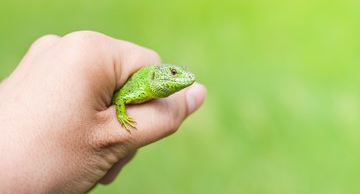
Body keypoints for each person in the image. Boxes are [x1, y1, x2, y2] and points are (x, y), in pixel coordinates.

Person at [0, 31, 206, 193]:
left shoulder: (149, 85)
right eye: (173, 73)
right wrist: (122, 117)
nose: (184, 78)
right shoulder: (141, 88)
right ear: (156, 75)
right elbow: (122, 99)